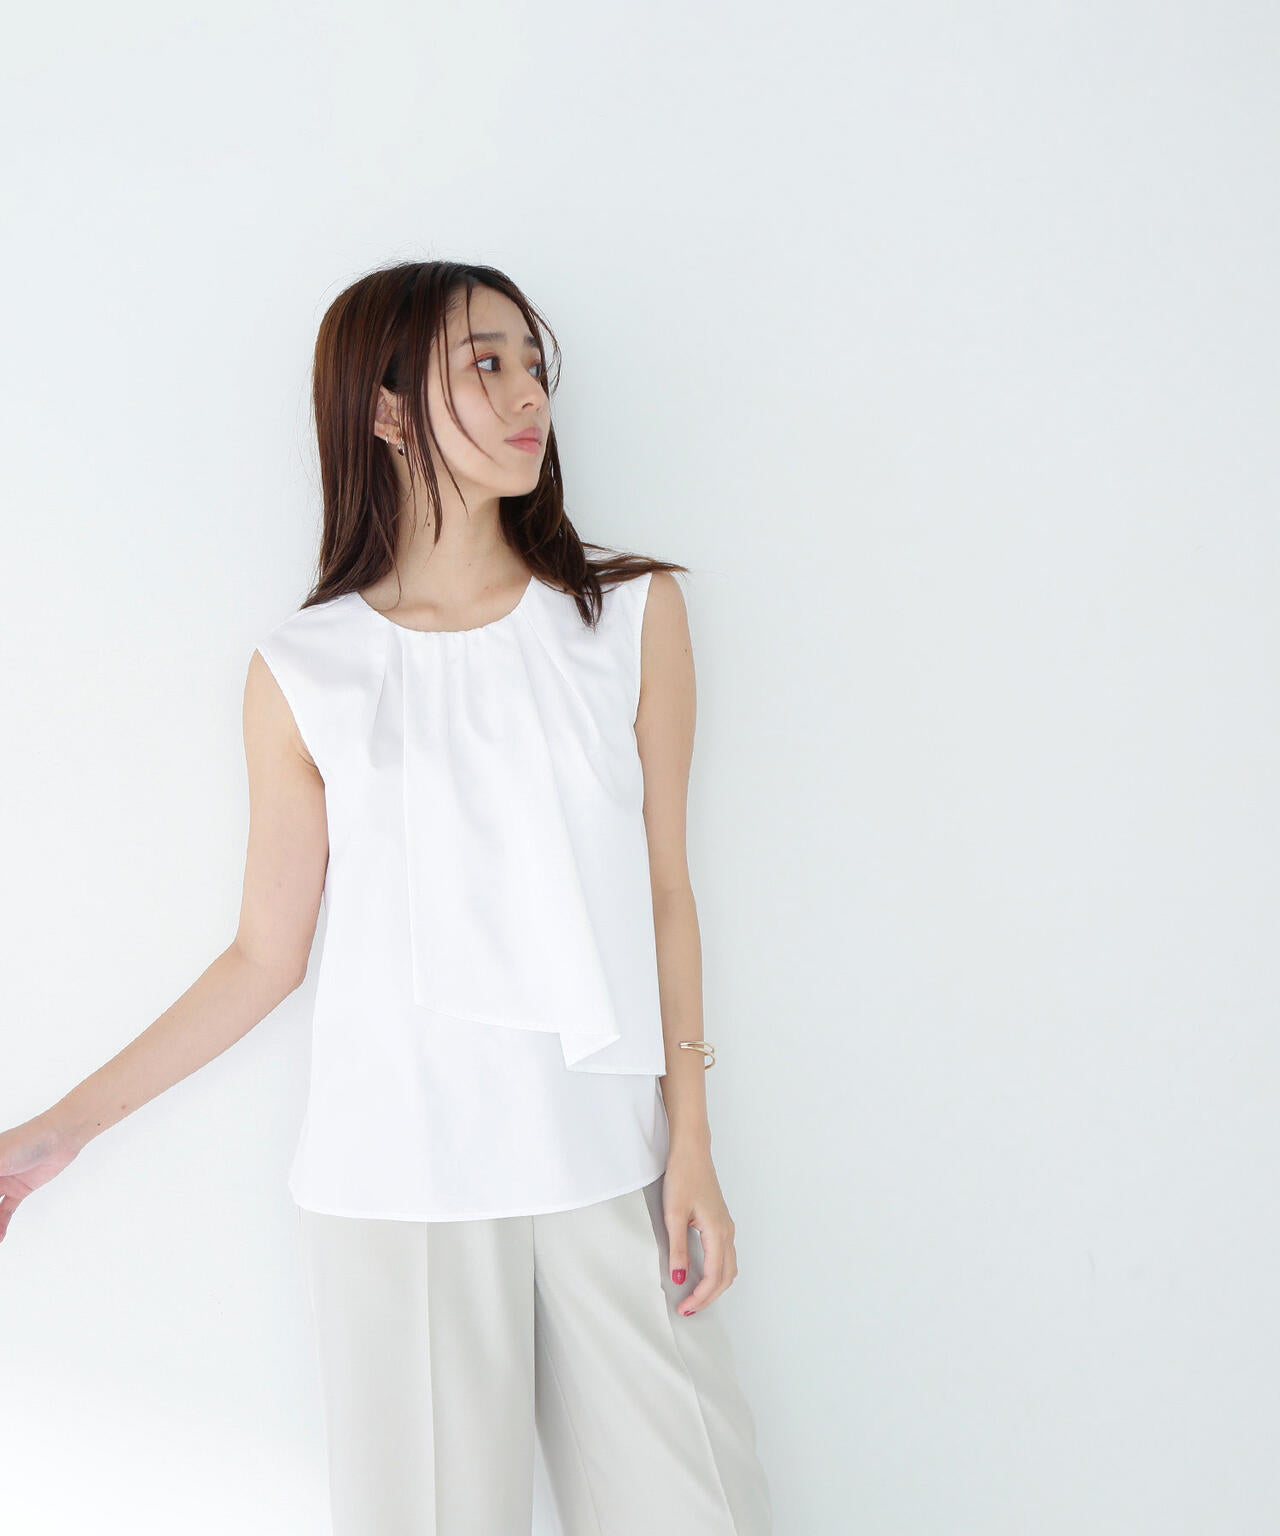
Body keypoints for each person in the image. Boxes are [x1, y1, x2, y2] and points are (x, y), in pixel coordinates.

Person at [0, 259, 773, 1534]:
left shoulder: (626, 615)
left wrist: (691, 1141)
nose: (527, 395)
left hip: (606, 1164)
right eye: (485, 363)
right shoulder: (306, 669)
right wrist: (56, 1132)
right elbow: (263, 956)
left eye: (533, 364)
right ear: (386, 410)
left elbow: (663, 891)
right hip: (396, 1176)